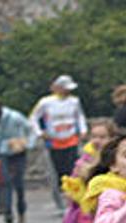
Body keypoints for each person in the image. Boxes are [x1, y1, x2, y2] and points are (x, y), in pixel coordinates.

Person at [31, 75, 88, 213]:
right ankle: (60, 202)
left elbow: (79, 116)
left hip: (71, 139)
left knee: (73, 170)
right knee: (57, 172)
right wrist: (40, 133)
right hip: (54, 141)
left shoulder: (74, 101)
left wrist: (83, 130)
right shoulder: (46, 102)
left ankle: (74, 199)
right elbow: (33, 117)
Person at [0, 101, 36, 223]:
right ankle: (8, 212)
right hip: (4, 153)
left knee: (18, 183)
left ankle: (21, 210)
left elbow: (30, 129)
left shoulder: (15, 117)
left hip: (18, 151)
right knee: (5, 181)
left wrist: (29, 144)